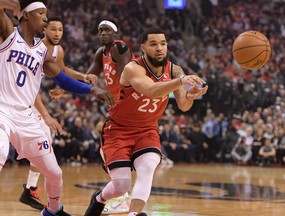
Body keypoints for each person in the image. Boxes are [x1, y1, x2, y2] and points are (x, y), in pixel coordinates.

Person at [0, 1, 113, 216]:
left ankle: (52, 211)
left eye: (46, 14)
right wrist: (8, 4)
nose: (45, 18)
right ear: (25, 16)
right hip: (2, 109)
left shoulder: (42, 51)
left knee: (54, 173)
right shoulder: (8, 34)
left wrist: (92, 90)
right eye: (41, 13)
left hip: (26, 115)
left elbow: (61, 79)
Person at [84, 27, 208, 216]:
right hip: (119, 129)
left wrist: (190, 96)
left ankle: (133, 214)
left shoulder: (175, 70)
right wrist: (181, 82)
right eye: (153, 44)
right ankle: (99, 198)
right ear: (143, 47)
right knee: (120, 186)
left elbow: (183, 105)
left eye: (163, 43)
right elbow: (151, 90)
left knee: (148, 167)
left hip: (147, 130)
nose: (159, 48)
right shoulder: (133, 68)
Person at [50, 19, 133, 215]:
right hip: (117, 107)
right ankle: (123, 195)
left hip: (127, 103)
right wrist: (65, 90)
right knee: (108, 150)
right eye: (100, 30)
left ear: (115, 33)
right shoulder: (100, 53)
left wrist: (125, 98)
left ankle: (122, 197)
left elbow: (127, 76)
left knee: (108, 148)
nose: (103, 33)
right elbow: (87, 80)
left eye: (107, 30)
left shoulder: (119, 47)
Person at [19, 16, 98, 211]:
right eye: (53, 29)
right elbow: (31, 87)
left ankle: (30, 188)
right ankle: (29, 189)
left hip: (27, 100)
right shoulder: (33, 46)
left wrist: (82, 77)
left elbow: (61, 71)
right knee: (40, 138)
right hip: (17, 97)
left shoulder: (57, 50)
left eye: (60, 30)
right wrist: (45, 114)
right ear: (44, 30)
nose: (57, 33)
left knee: (44, 139)